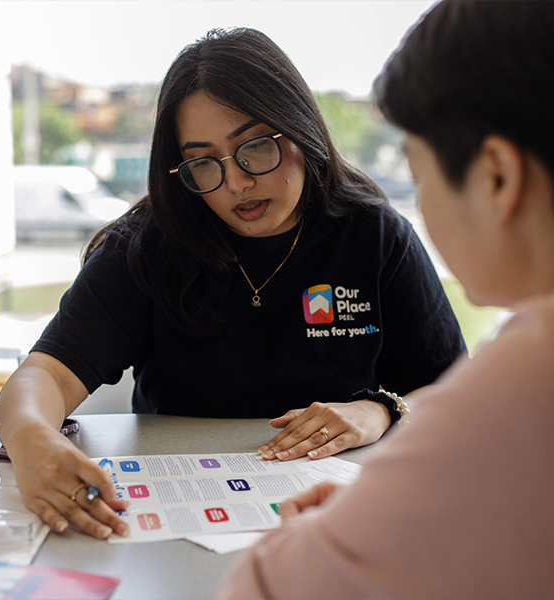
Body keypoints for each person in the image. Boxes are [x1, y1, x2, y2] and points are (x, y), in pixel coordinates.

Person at [0, 28, 465, 539]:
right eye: (203, 163)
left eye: (255, 148)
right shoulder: (148, 245)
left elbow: (453, 392)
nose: (237, 182)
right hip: (182, 519)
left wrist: (380, 409)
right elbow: (45, 375)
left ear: (300, 129)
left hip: (342, 518)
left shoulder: (374, 233)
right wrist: (31, 440)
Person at [216, 1, 554, 598]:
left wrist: (340, 528)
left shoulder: (530, 367)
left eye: (417, 175)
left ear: (496, 177)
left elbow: (260, 588)